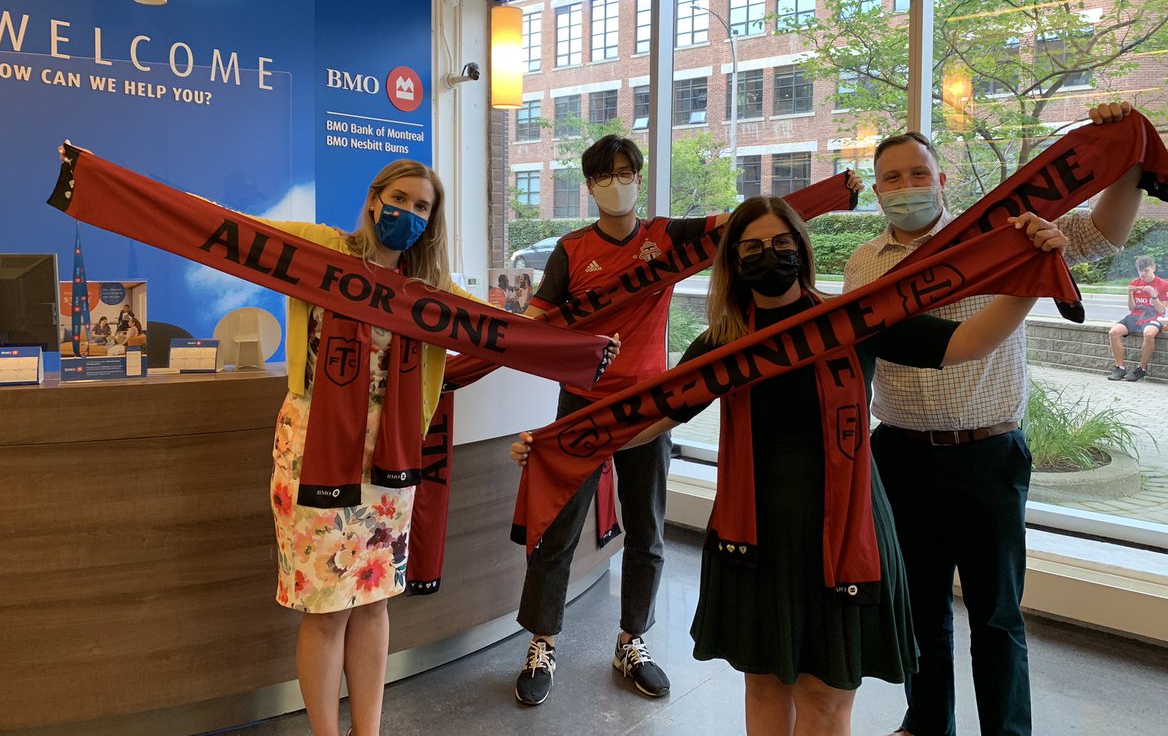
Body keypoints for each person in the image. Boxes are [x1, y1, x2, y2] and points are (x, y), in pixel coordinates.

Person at [513, 195, 1066, 735]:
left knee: (824, 699)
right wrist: (559, 445)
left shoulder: (853, 320)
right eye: (752, 248)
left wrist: (1031, 277)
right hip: (755, 539)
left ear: (802, 249)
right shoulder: (723, 343)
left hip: (845, 536)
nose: (769, 256)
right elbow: (654, 418)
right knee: (765, 690)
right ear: (734, 263)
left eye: (781, 243)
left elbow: (968, 342)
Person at [262, 160, 617, 736]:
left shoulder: (428, 293)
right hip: (314, 447)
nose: (409, 213)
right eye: (400, 198)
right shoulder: (322, 252)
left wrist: (582, 348)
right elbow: (232, 233)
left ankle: (367, 732)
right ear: (374, 199)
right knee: (326, 607)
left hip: (391, 457)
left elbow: (501, 329)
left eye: (422, 207)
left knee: (373, 599)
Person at [842, 102, 1146, 736]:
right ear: (876, 189)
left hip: (987, 454)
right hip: (899, 454)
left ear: (942, 179)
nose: (905, 187)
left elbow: (1105, 234)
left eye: (917, 173)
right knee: (919, 608)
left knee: (997, 616)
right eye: (892, 177)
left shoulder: (1003, 237)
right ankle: (926, 723)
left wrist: (1127, 158)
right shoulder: (863, 263)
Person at [511, 134, 730, 706]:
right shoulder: (571, 249)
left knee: (648, 530)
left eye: (626, 172)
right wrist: (577, 346)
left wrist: (830, 195)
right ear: (589, 186)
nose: (617, 183)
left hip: (648, 407)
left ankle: (632, 640)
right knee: (559, 529)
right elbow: (536, 328)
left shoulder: (666, 236)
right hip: (582, 404)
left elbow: (736, 224)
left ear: (639, 176)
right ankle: (542, 642)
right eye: (605, 175)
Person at [1107, 254, 1168, 382]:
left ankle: (1142, 368)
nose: (1142, 274)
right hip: (1136, 316)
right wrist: (1130, 294)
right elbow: (1132, 309)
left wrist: (1154, 296)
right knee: (1113, 332)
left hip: (1154, 316)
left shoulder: (1163, 284)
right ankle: (1120, 368)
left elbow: (1162, 310)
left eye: (1146, 270)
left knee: (1149, 334)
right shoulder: (1135, 283)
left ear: (1153, 268)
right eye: (1140, 271)